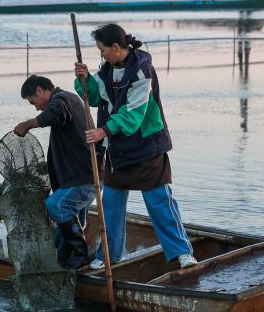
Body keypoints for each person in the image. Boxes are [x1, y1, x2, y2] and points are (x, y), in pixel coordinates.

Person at [74, 24, 197, 271]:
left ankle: (182, 252)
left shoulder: (143, 71)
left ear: (116, 47)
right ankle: (110, 253)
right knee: (110, 204)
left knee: (159, 201)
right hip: (116, 150)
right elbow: (94, 97)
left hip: (146, 147)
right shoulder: (107, 71)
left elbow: (134, 112)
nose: (101, 55)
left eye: (102, 50)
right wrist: (83, 79)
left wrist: (104, 130)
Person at [13, 75, 95, 269]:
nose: (36, 108)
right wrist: (47, 167)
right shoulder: (70, 100)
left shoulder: (62, 100)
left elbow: (55, 114)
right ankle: (63, 257)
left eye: (34, 102)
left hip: (84, 178)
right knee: (67, 225)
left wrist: (28, 124)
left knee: (55, 206)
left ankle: (80, 255)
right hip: (82, 176)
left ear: (40, 91)